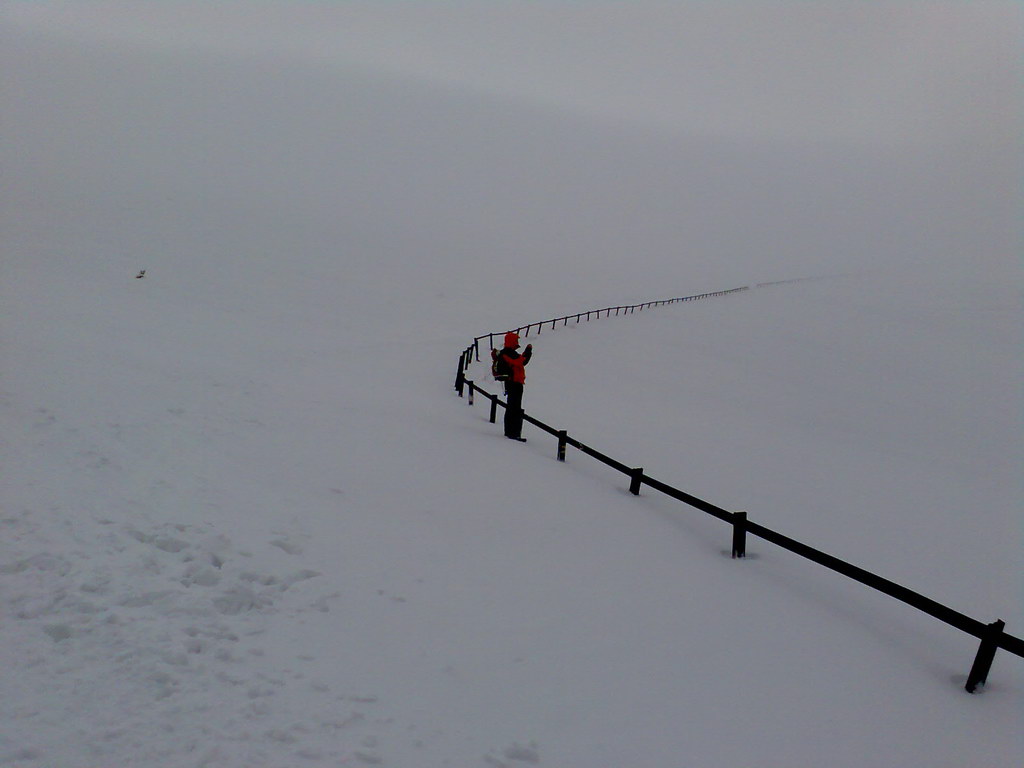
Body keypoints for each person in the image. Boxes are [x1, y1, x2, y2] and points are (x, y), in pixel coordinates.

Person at [492, 332, 533, 441]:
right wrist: (528, 351)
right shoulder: (509, 353)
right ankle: (513, 433)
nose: (517, 342)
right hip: (514, 383)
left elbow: (521, 361)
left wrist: (527, 352)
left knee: (512, 406)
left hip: (512, 382)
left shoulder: (507, 353)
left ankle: (510, 432)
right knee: (514, 407)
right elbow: (521, 361)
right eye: (516, 340)